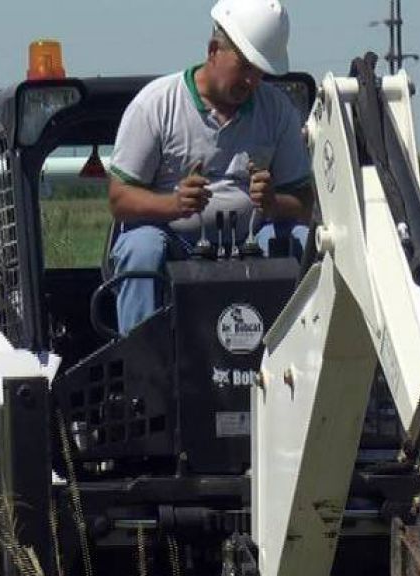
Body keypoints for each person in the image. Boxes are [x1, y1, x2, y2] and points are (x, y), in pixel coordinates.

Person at [108, 0, 313, 334]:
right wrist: (173, 204)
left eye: (260, 71)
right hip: (175, 242)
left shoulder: (277, 111)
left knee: (304, 241)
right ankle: (143, 366)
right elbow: (119, 200)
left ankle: (301, 360)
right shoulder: (156, 105)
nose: (252, 81)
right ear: (213, 50)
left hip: (253, 242)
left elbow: (304, 204)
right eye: (245, 67)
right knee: (141, 249)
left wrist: (274, 203)